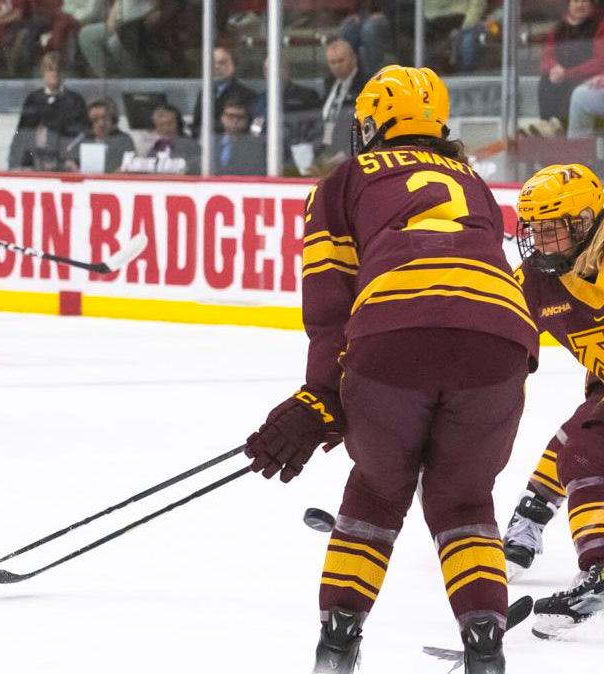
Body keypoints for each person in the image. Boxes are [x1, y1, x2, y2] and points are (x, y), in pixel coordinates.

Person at [242, 66, 537, 673]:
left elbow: (331, 301)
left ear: (373, 125)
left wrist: (321, 394)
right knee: (464, 502)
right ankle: (485, 641)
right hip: (500, 341)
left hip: (394, 336)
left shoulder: (345, 179)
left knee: (377, 491)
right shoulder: (475, 182)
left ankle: (338, 644)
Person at [501, 164, 604, 638]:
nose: (538, 242)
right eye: (534, 230)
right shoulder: (539, 279)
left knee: (582, 446)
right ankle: (529, 520)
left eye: (550, 230)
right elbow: (500, 330)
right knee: (575, 440)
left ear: (584, 223)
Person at [8, 51, 88, 171]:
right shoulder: (33, 99)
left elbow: (82, 134)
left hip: (66, 164)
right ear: (43, 73)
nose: (55, 74)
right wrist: (18, 163)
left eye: (58, 70)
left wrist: (74, 160)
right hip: (36, 164)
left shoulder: (75, 100)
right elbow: (22, 134)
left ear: (65, 73)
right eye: (50, 70)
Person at [540, 0, 604, 129]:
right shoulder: (558, 27)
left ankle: (564, 129)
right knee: (546, 80)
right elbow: (546, 54)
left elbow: (599, 61)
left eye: (584, 1)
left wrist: (568, 73)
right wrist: (554, 67)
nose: (579, 5)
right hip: (562, 75)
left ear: (591, 5)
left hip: (589, 78)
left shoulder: (600, 27)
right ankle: (548, 125)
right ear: (569, 4)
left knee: (575, 89)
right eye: (575, 1)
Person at [316, 39, 369, 170]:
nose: (337, 66)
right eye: (332, 62)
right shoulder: (329, 83)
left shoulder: (365, 86)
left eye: (341, 61)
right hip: (326, 151)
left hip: (350, 156)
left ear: (353, 59)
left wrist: (345, 154)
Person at [189, 45, 257, 140]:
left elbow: (246, 126)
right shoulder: (205, 92)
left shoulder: (246, 94)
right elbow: (196, 125)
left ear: (233, 65)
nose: (216, 67)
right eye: (212, 63)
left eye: (222, 63)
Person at [67, 97, 134, 174]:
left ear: (113, 119)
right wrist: (70, 165)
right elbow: (70, 160)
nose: (101, 123)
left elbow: (129, 165)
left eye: (105, 118)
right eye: (95, 119)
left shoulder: (124, 140)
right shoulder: (83, 139)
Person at [213, 100, 265, 176]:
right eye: (231, 116)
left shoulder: (254, 147)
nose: (235, 120)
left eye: (240, 117)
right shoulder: (211, 143)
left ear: (247, 120)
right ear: (222, 117)